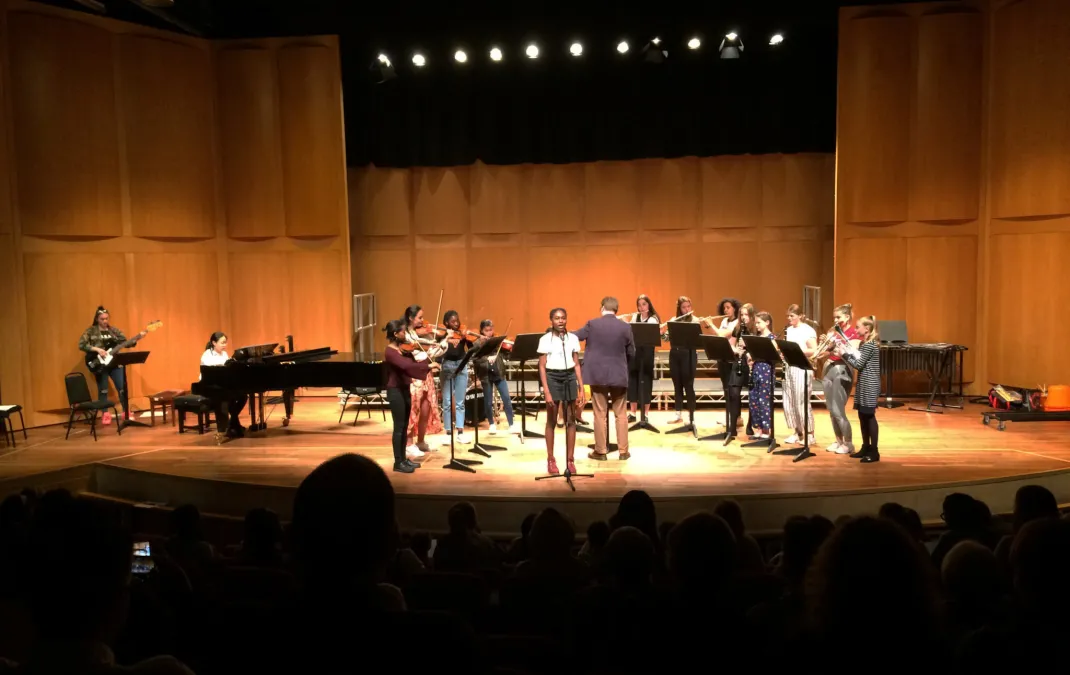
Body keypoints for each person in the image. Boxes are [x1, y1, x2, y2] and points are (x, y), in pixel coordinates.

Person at [572, 297, 635, 461]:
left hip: (597, 374)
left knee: (600, 413)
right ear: (616, 310)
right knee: (621, 414)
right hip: (618, 374)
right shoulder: (626, 327)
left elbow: (576, 336)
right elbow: (631, 353)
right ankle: (623, 451)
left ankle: (600, 451)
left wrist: (560, 331)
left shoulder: (592, 324)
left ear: (602, 308)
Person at [384, 319, 440, 473]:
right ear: (396, 334)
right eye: (403, 332)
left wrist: (428, 355)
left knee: (404, 426)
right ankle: (398, 462)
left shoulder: (403, 349)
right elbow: (406, 366)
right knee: (399, 427)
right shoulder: (390, 352)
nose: (406, 334)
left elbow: (414, 364)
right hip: (395, 391)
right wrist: (428, 365)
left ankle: (403, 459)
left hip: (404, 389)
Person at [77, 306, 147, 420]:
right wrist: (97, 349)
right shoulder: (91, 331)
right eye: (102, 319)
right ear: (97, 319)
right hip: (100, 364)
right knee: (103, 390)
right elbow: (82, 345)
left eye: (106, 318)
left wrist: (138, 337)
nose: (105, 321)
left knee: (122, 388)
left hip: (115, 363)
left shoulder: (114, 331)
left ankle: (126, 412)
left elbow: (125, 343)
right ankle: (105, 414)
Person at [538, 308, 585, 475]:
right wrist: (547, 391)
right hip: (552, 377)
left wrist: (581, 387)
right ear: (551, 320)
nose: (560, 321)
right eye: (557, 318)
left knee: (571, 420)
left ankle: (570, 460)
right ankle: (551, 459)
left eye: (563, 318)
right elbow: (542, 366)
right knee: (551, 420)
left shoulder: (572, 338)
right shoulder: (545, 339)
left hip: (569, 376)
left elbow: (576, 364)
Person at [833, 315, 881, 463]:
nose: (855, 329)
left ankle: (874, 451)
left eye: (858, 327)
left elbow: (858, 364)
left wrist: (844, 354)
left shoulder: (869, 345)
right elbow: (859, 361)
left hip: (869, 384)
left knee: (869, 416)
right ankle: (865, 447)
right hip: (864, 383)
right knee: (862, 416)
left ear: (867, 329)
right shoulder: (865, 344)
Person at [402, 305, 445, 458]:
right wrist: (429, 348)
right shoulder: (405, 335)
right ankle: (408, 444)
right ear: (410, 318)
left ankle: (421, 441)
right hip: (414, 376)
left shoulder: (416, 334)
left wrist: (440, 344)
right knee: (413, 410)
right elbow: (415, 354)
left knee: (426, 408)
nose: (422, 320)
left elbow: (428, 351)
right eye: (419, 317)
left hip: (426, 374)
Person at [822, 303, 859, 455]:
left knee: (838, 409)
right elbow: (826, 352)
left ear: (847, 317)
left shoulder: (853, 333)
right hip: (829, 367)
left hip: (843, 369)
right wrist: (827, 346)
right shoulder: (833, 331)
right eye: (834, 317)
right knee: (831, 409)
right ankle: (838, 441)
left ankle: (848, 443)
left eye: (838, 317)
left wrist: (836, 345)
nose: (835, 320)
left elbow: (852, 354)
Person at [200, 331, 247, 441]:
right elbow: (210, 372)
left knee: (243, 396)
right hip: (210, 386)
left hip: (223, 385)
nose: (225, 345)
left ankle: (231, 423)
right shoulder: (207, 355)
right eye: (222, 343)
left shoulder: (224, 354)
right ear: (214, 343)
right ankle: (224, 428)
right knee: (225, 399)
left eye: (225, 342)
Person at [472, 319, 517, 435]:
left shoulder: (498, 341)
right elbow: (475, 359)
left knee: (506, 398)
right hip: (485, 374)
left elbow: (505, 354)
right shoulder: (477, 343)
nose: (489, 333)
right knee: (488, 401)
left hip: (498, 372)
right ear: (481, 330)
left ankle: (511, 424)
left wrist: (509, 350)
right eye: (486, 330)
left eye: (491, 330)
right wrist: (487, 359)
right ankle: (491, 424)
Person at [783, 304, 817, 446]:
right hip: (789, 367)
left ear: (801, 316)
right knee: (789, 402)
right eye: (788, 316)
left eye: (792, 316)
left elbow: (813, 349)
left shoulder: (807, 330)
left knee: (801, 402)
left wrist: (796, 351)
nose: (789, 318)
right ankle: (798, 432)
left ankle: (810, 434)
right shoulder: (789, 330)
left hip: (802, 368)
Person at [438, 310, 471, 443]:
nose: (456, 323)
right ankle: (448, 432)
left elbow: (472, 347)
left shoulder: (462, 333)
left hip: (461, 365)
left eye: (457, 320)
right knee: (447, 401)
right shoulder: (442, 334)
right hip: (447, 366)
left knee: (460, 402)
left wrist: (467, 337)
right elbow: (438, 349)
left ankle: (460, 432)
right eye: (453, 321)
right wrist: (446, 336)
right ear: (446, 323)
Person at [666, 296, 699, 425]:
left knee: (689, 385)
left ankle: (692, 417)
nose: (687, 309)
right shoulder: (674, 320)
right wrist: (663, 332)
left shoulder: (695, 320)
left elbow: (698, 338)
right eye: (684, 307)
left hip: (689, 354)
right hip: (675, 354)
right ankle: (678, 414)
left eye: (688, 307)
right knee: (677, 385)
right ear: (679, 309)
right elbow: (666, 339)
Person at [626, 294, 659, 422]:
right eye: (639, 305)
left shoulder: (653, 319)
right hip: (635, 353)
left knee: (646, 381)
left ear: (649, 304)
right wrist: (626, 323)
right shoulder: (635, 317)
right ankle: (633, 413)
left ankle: (645, 414)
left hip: (647, 354)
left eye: (644, 304)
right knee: (633, 381)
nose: (641, 307)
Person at [724, 303, 754, 441]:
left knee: (753, 395)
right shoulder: (738, 328)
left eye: (746, 314)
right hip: (739, 362)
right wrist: (736, 350)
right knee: (734, 393)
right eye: (741, 314)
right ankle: (732, 426)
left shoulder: (755, 329)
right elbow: (731, 344)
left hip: (751, 363)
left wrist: (748, 350)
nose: (743, 317)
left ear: (752, 316)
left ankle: (750, 424)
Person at [747, 311, 777, 439]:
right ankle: (758, 428)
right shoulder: (757, 338)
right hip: (756, 370)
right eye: (756, 323)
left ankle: (766, 430)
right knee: (754, 400)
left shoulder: (772, 338)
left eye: (759, 322)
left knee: (764, 401)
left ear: (767, 322)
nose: (756, 325)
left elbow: (773, 355)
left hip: (766, 371)